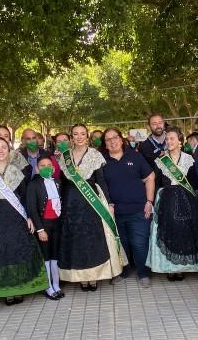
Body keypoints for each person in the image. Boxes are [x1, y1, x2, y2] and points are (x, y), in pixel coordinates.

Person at [0, 137, 49, 304]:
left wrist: (29, 217)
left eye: (4, 147)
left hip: (17, 217)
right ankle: (6, 290)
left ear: (9, 150)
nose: (0, 150)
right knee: (2, 252)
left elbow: (25, 197)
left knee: (18, 250)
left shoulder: (16, 171)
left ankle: (20, 287)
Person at [55, 124, 125, 289]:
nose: (79, 137)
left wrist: (109, 203)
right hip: (71, 204)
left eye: (82, 134)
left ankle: (94, 276)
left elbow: (101, 181)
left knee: (92, 239)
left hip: (91, 203)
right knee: (76, 240)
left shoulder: (95, 155)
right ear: (71, 137)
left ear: (87, 136)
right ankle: (81, 277)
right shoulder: (64, 157)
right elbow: (62, 182)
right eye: (75, 134)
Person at [147, 126, 198, 280]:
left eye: (172, 139)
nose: (169, 141)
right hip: (166, 200)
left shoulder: (190, 159)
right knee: (169, 231)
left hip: (187, 200)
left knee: (185, 232)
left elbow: (194, 182)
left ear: (180, 141)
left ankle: (181, 268)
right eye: (167, 139)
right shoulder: (160, 161)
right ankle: (170, 268)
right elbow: (156, 183)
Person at [101, 127, 155, 287]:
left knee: (139, 244)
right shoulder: (101, 161)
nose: (113, 141)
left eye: (115, 137)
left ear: (121, 139)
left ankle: (143, 273)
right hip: (114, 212)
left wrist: (149, 201)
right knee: (120, 244)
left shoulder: (135, 156)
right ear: (105, 144)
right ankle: (123, 271)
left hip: (138, 210)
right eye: (108, 139)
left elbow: (150, 177)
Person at [25, 156, 64, 300]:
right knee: (46, 256)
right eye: (42, 166)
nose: (46, 168)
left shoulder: (58, 182)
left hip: (57, 224)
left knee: (55, 255)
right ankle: (48, 287)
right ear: (37, 168)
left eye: (49, 165)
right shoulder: (33, 185)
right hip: (43, 225)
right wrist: (40, 229)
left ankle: (56, 284)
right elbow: (32, 209)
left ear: (53, 168)